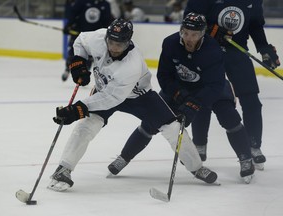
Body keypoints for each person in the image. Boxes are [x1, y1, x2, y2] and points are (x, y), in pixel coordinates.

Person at [48, 18, 218, 192]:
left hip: (139, 97)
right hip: (104, 90)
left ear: (128, 42)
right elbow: (81, 41)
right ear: (106, 36)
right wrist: (78, 63)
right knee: (87, 125)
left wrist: (78, 109)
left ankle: (197, 167)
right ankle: (63, 169)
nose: (114, 48)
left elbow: (112, 98)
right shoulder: (98, 38)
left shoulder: (131, 65)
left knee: (174, 129)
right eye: (111, 42)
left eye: (119, 45)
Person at [108, 13, 256, 183]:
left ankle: (246, 159)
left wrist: (194, 104)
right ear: (180, 30)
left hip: (212, 89)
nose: (189, 38)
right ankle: (124, 157)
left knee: (229, 117)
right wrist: (180, 94)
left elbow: (215, 85)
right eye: (185, 33)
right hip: (179, 89)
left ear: (202, 34)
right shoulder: (170, 43)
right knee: (151, 120)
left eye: (194, 34)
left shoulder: (213, 49)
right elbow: (164, 76)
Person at [184, 0, 280, 170]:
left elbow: (255, 25)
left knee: (252, 101)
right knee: (203, 98)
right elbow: (189, 20)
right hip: (206, 51)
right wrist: (213, 30)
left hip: (237, 51)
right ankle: (199, 145)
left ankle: (253, 144)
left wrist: (264, 49)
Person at [62, 0, 113, 82]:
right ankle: (67, 68)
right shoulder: (82, 2)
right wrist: (68, 26)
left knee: (89, 57)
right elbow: (73, 14)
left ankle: (84, 73)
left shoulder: (105, 4)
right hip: (80, 34)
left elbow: (107, 21)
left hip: (95, 37)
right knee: (74, 53)